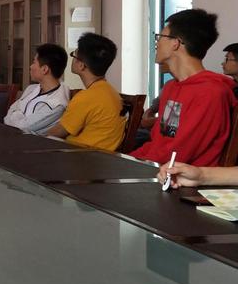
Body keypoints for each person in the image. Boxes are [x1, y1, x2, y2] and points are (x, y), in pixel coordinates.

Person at [131, 9, 235, 166]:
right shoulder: (172, 87)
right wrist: (127, 160)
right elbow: (163, 139)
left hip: (182, 178)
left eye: (160, 37)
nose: (157, 43)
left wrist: (132, 166)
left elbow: (178, 153)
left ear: (176, 43)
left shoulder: (210, 93)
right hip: (158, 169)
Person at [46, 33, 125, 151]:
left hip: (81, 156)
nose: (72, 58)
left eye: (74, 55)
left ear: (81, 65)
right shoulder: (112, 93)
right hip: (104, 156)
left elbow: (57, 132)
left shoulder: (86, 98)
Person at [4, 43, 70, 134]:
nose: (30, 66)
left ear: (44, 69)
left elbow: (22, 127)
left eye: (34, 62)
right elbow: (8, 116)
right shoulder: (31, 89)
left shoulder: (57, 104)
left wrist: (17, 113)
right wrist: (19, 116)